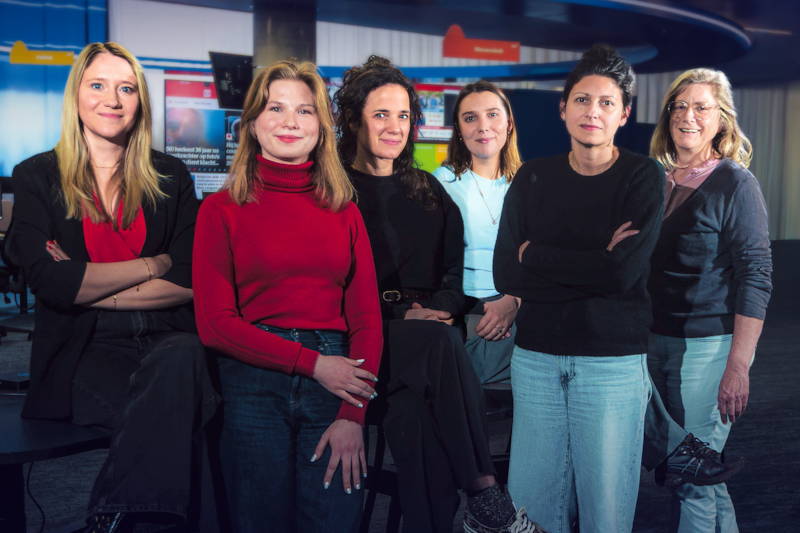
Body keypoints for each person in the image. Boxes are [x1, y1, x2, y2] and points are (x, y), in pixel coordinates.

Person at [11, 42, 220, 533]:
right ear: (76, 95)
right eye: (98, 85)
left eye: (126, 88)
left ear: (140, 100)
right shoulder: (37, 175)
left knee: (182, 358)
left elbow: (190, 278)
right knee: (187, 416)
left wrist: (85, 281)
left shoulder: (170, 175)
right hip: (84, 348)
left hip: (168, 337)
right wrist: (152, 263)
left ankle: (116, 520)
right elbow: (48, 280)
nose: (113, 99)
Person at [334, 56, 544, 533]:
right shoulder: (335, 191)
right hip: (359, 339)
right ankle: (484, 489)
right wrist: (405, 318)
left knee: (416, 422)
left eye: (403, 115)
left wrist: (442, 309)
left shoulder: (425, 189)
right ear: (353, 120)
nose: (395, 127)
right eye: (380, 114)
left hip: (421, 347)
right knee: (442, 342)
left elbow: (452, 273)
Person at [192, 60, 383, 533]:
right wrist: (313, 364)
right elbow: (215, 325)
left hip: (337, 379)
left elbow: (366, 321)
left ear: (321, 128)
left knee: (333, 521)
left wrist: (353, 416)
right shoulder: (220, 209)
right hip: (253, 374)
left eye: (305, 110)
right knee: (259, 520)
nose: (290, 121)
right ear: (252, 124)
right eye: (275, 108)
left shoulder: (345, 211)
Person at [494, 43, 663, 532]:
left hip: (610, 364)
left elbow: (621, 275)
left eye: (607, 102)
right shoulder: (532, 177)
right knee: (530, 512)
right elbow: (507, 274)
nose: (593, 112)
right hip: (536, 360)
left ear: (624, 114)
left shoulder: (642, 176)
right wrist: (595, 265)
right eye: (583, 100)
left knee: (604, 514)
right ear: (563, 108)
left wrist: (536, 255)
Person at [648, 68, 772, 533]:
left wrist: (738, 366)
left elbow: (756, 276)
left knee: (690, 478)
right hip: (655, 341)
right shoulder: (655, 179)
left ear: (722, 120)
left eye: (702, 107)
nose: (689, 115)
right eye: (680, 106)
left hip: (710, 347)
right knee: (704, 471)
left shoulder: (735, 183)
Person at [432, 81, 522, 384]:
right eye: (470, 118)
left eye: (492, 115)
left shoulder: (528, 183)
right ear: (459, 129)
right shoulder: (443, 182)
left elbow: (542, 260)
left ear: (509, 123)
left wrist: (514, 301)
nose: (483, 126)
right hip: (464, 308)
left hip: (518, 305)